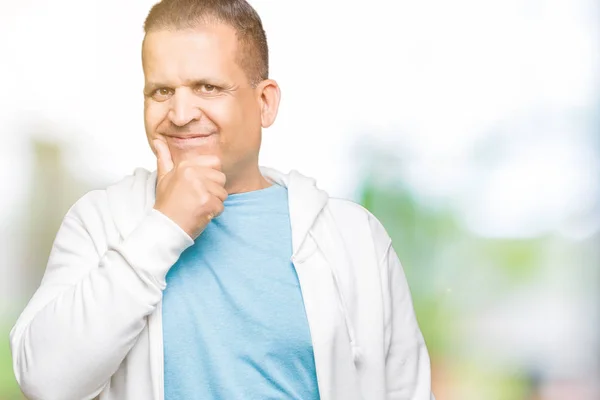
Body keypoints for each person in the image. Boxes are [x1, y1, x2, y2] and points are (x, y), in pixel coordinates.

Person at [10, 0, 434, 399]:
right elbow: (45, 382)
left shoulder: (354, 238)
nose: (179, 114)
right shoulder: (100, 220)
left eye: (207, 87)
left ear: (265, 103)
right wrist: (164, 224)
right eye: (160, 91)